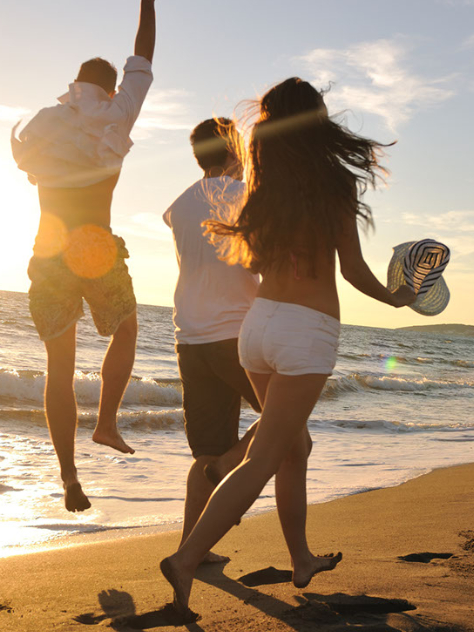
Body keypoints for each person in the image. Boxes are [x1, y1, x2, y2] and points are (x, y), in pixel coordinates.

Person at [159, 78, 416, 615]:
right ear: (318, 122)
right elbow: (352, 269)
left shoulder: (260, 184)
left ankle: (300, 559)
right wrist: (397, 299)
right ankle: (186, 558)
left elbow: (251, 262)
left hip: (258, 328)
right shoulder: (335, 184)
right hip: (306, 331)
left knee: (293, 448)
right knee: (262, 457)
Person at [9, 0, 161, 513]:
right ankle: (106, 423)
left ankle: (68, 475)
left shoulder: (47, 121)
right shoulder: (118, 113)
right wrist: (147, 1)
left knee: (58, 368)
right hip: (94, 246)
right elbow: (142, 60)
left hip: (48, 250)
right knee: (125, 330)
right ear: (110, 87)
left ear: (74, 82)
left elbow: (27, 166)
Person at [162, 118, 259, 560]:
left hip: (190, 337)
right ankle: (229, 464)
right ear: (235, 150)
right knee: (286, 420)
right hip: (235, 334)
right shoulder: (243, 197)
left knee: (204, 451)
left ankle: (191, 548)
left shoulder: (178, 205)